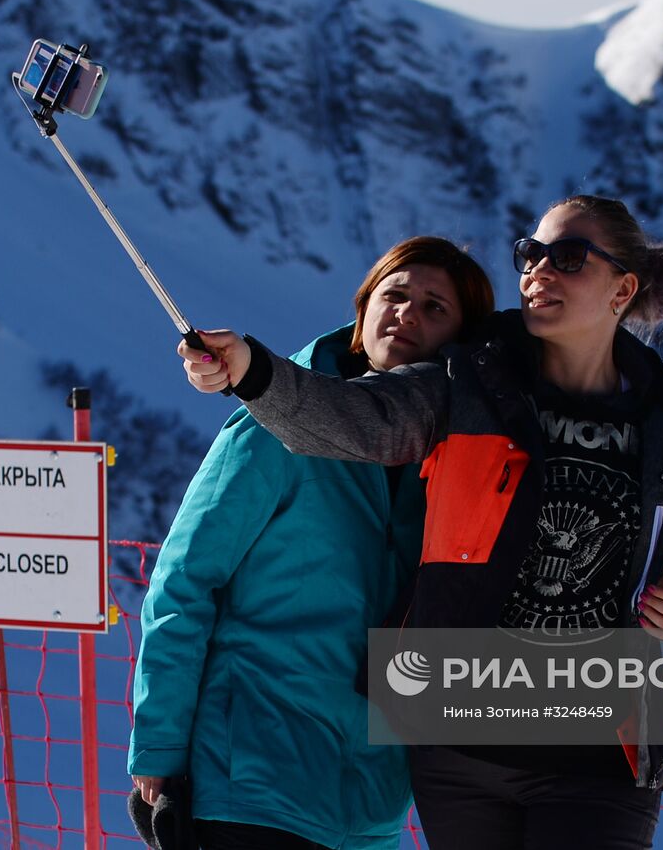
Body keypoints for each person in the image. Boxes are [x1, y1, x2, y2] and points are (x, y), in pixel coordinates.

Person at [179, 196, 663, 850]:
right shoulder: (470, 379)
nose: (538, 273)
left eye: (568, 259)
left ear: (623, 289)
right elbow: (359, 420)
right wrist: (253, 371)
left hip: (600, 751)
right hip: (462, 748)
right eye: (531, 255)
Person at [129, 236, 495, 850]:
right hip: (252, 782)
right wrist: (161, 742)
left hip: (373, 805)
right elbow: (186, 579)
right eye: (395, 294)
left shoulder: (458, 458)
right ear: (362, 309)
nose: (407, 313)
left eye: (435, 308)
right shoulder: (275, 421)